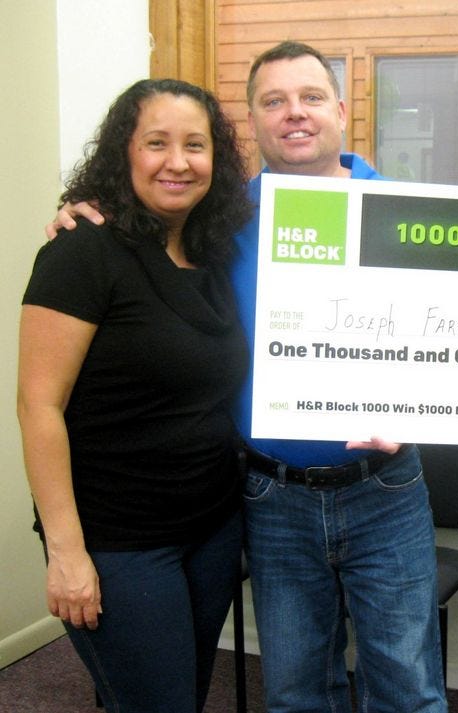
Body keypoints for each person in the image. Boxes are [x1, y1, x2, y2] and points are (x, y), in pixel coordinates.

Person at [50, 42, 447, 713]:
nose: (295, 114)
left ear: (342, 111)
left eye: (311, 97)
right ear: (254, 121)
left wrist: (427, 407)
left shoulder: (411, 213)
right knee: (293, 692)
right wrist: (84, 209)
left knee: (408, 691)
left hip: (386, 491)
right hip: (271, 495)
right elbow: (142, 224)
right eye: (274, 101)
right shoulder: (218, 220)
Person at [19, 78, 252, 712]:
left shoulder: (216, 252)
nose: (178, 162)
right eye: (157, 143)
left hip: (210, 528)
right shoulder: (82, 252)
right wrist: (66, 553)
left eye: (195, 145)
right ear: (125, 152)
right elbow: (38, 406)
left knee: (183, 694)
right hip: (117, 541)